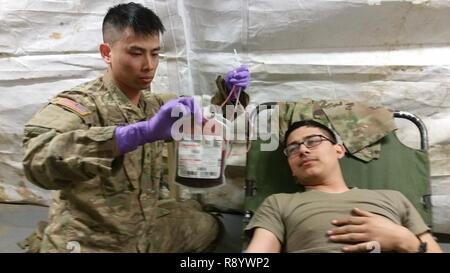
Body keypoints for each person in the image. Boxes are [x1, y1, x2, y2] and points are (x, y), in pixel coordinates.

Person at [21, 2, 250, 253]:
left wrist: (231, 94)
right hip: (92, 241)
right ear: (107, 53)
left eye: (155, 53)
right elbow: (36, 159)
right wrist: (139, 133)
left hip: (143, 229)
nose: (149, 65)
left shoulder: (154, 104)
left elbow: (213, 119)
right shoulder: (81, 104)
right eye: (136, 52)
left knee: (208, 225)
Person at [245, 120, 442, 253]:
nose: (303, 150)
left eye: (313, 141)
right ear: (291, 168)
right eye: (292, 149)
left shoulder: (393, 198)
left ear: (338, 150)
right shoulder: (278, 203)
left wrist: (405, 240)